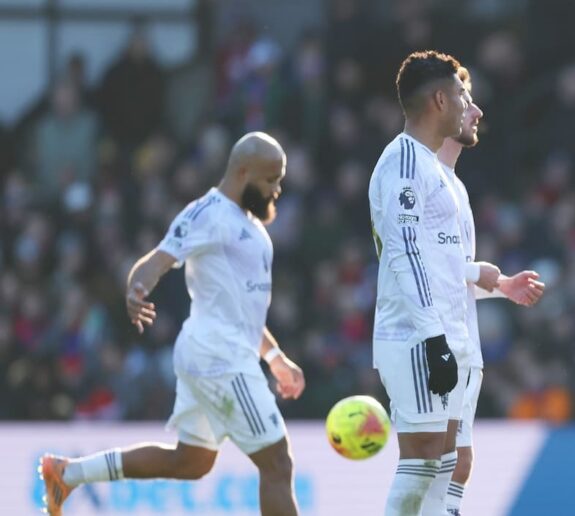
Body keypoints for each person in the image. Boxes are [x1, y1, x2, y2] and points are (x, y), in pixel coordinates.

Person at [38, 132, 306, 516]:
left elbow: (242, 311)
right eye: (271, 178)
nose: (278, 188)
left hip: (215, 350)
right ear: (243, 171)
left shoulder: (252, 225)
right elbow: (158, 259)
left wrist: (275, 357)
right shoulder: (208, 213)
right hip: (220, 357)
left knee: (191, 462)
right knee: (277, 462)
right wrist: (137, 288)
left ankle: (68, 473)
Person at [435, 67, 546, 516]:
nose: (477, 111)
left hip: (463, 344)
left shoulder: (456, 187)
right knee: (436, 458)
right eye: (467, 101)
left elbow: (451, 279)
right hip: (432, 346)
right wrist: (478, 269)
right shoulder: (419, 176)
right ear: (440, 107)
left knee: (460, 461)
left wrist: (500, 285)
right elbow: (412, 264)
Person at [369, 50, 468, 516]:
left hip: (435, 332)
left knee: (442, 458)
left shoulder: (430, 165)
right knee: (426, 454)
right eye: (463, 94)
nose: (469, 104)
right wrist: (433, 338)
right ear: (440, 100)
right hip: (412, 334)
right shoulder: (404, 161)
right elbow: (405, 249)